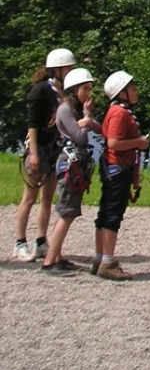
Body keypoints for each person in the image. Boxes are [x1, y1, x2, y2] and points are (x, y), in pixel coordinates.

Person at [12, 48, 77, 261]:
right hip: (38, 147)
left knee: (47, 198)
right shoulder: (40, 90)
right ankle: (20, 242)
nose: (71, 71)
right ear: (57, 69)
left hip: (53, 148)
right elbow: (32, 124)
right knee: (29, 197)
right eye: (68, 67)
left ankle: (41, 240)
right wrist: (33, 153)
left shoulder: (64, 92)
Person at [40, 67, 101, 275]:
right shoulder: (66, 110)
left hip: (77, 163)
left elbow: (94, 128)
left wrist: (88, 119)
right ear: (74, 89)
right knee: (66, 212)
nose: (89, 93)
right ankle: (49, 262)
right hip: (70, 164)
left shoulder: (72, 109)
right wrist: (86, 117)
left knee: (68, 211)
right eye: (85, 88)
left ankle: (56, 256)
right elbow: (80, 136)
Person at [93, 71, 149, 281]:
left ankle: (100, 258)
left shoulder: (120, 111)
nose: (136, 91)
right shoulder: (119, 113)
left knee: (107, 211)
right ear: (122, 93)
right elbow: (113, 143)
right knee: (112, 213)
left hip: (116, 167)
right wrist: (139, 143)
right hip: (117, 168)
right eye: (132, 88)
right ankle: (107, 261)